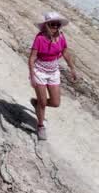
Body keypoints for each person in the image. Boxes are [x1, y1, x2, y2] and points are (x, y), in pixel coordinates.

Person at [28, 11, 79, 141]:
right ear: (46, 25)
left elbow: (65, 53)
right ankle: (40, 126)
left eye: (57, 25)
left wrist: (72, 68)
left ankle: (36, 103)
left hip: (53, 71)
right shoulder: (39, 38)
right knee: (43, 103)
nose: (55, 27)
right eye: (52, 24)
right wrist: (32, 75)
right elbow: (32, 57)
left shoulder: (61, 37)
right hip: (40, 71)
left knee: (55, 103)